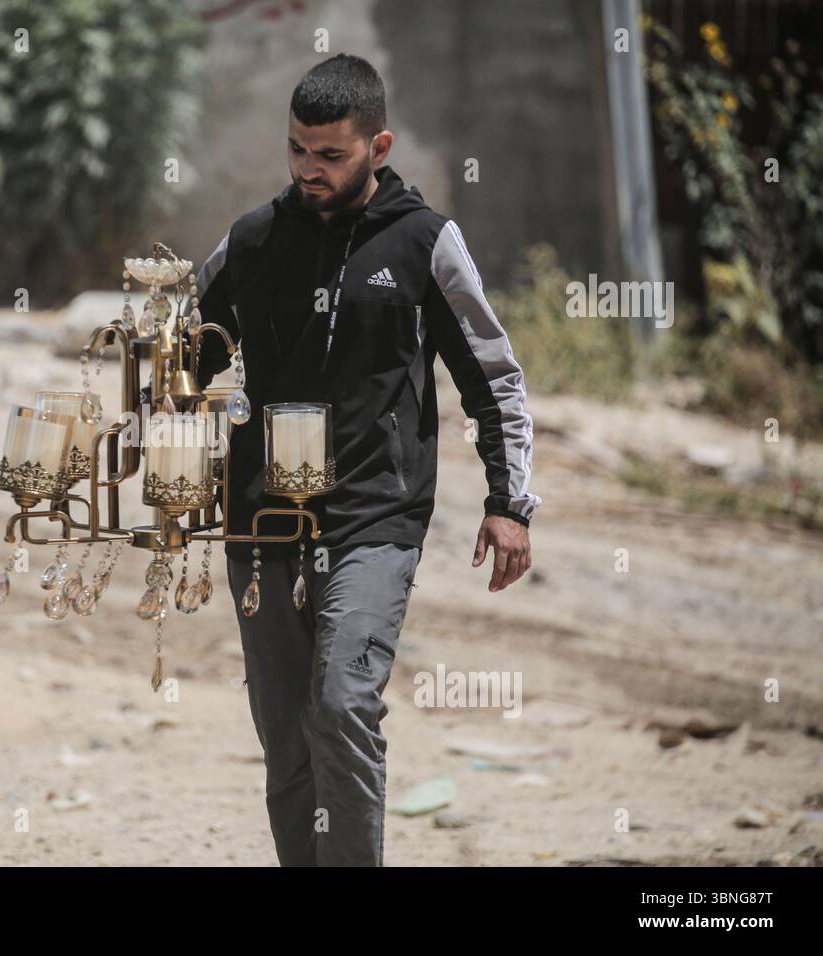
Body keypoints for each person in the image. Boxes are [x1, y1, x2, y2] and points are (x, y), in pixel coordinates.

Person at [195, 54, 541, 866]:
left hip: (374, 516)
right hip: (260, 519)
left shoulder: (424, 241)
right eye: (297, 151)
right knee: (286, 737)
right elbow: (184, 354)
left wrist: (509, 501)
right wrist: (154, 411)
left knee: (342, 703)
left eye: (331, 155)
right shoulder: (252, 239)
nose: (309, 171)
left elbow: (493, 377)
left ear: (377, 145)